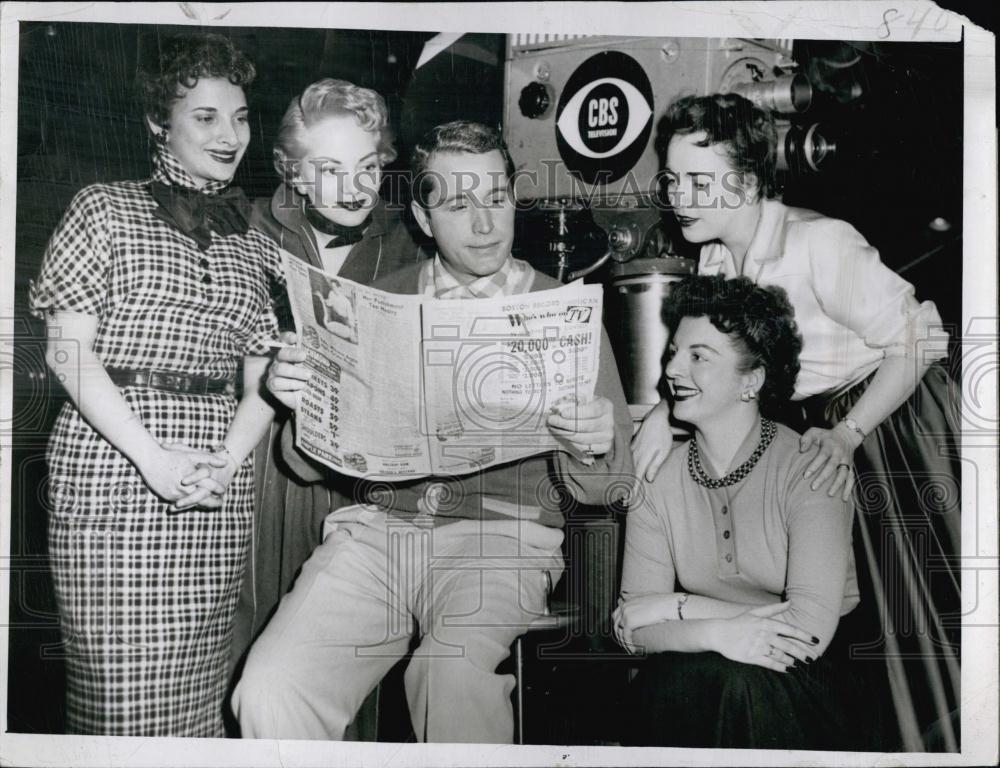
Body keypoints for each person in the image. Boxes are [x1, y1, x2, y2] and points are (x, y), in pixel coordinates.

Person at [231, 121, 634, 743]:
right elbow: (307, 463)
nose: (484, 224)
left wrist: (594, 443)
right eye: (457, 203)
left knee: (450, 678)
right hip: (376, 536)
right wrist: (299, 405)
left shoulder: (565, 309)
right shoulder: (377, 300)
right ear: (422, 216)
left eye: (496, 197)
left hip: (500, 541)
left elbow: (609, 491)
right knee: (270, 688)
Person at [631, 93, 960, 749]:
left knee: (919, 634)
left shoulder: (818, 241)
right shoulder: (718, 254)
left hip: (888, 424)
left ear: (749, 179)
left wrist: (849, 432)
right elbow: (730, 353)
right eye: (672, 179)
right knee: (861, 645)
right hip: (819, 434)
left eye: (700, 180)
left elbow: (923, 341)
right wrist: (663, 414)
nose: (679, 197)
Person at [28, 34, 281, 736]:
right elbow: (67, 353)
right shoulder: (102, 208)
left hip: (214, 486)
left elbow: (260, 376)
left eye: (239, 115)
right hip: (115, 472)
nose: (230, 135)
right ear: (156, 123)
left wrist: (227, 462)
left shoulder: (252, 238)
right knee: (119, 711)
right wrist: (152, 458)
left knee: (198, 707)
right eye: (205, 116)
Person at [616, 274, 887, 749]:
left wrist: (675, 609)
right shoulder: (657, 477)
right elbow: (632, 630)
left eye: (699, 356)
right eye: (675, 351)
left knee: (727, 681)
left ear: (752, 380)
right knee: (670, 680)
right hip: (709, 669)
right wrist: (720, 631)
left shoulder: (810, 467)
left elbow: (805, 636)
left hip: (812, 681)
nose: (673, 370)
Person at [229, 79, 427, 679]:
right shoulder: (247, 227)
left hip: (360, 477)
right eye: (328, 168)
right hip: (256, 462)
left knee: (342, 657)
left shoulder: (409, 243)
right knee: (249, 643)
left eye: (367, 166)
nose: (354, 188)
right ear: (291, 169)